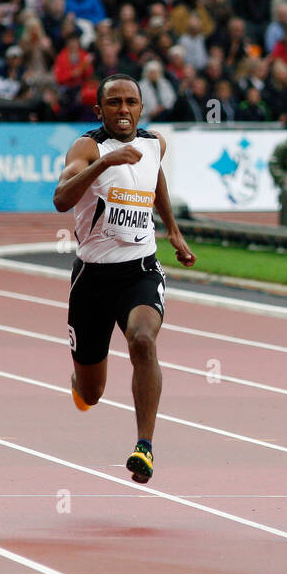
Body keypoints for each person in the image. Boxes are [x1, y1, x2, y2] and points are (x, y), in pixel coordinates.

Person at [53, 73, 196, 484]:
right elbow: (61, 200)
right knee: (91, 393)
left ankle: (144, 447)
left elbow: (155, 181)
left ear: (141, 107)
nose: (122, 110)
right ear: (99, 110)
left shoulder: (154, 144)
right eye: (113, 103)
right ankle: (81, 380)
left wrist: (174, 230)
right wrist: (104, 162)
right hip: (93, 279)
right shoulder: (87, 147)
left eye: (130, 102)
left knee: (143, 339)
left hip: (141, 270)